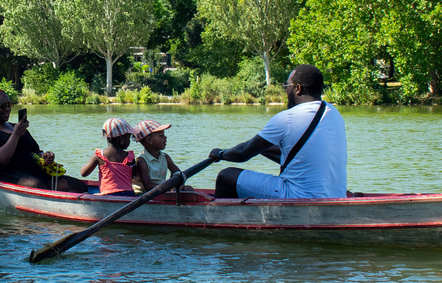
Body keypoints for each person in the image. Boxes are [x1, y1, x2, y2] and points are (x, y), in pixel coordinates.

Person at [209, 64, 347, 199]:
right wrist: (262, 148)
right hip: (335, 196)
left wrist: (221, 154)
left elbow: (243, 153)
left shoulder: (287, 118)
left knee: (226, 177)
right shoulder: (334, 114)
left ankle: (228, 220)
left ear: (298, 88)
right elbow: (301, 152)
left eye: (287, 86)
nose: (286, 91)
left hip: (298, 196)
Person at [0, 88, 87, 192]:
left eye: (10, 104)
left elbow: (36, 151)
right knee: (35, 185)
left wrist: (45, 156)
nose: (8, 109)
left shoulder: (17, 127)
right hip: (7, 175)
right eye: (3, 106)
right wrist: (16, 135)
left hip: (35, 173)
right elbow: (0, 161)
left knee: (78, 185)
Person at [81, 118, 139, 196]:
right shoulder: (129, 157)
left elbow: (83, 173)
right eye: (128, 138)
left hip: (108, 194)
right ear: (121, 139)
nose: (129, 141)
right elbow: (132, 175)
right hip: (128, 194)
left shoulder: (99, 156)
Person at [133, 119, 182, 194]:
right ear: (149, 140)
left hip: (162, 189)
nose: (165, 137)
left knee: (188, 189)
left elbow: (178, 173)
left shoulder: (165, 157)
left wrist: (177, 183)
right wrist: (168, 188)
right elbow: (148, 186)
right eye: (161, 135)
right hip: (146, 194)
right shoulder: (142, 161)